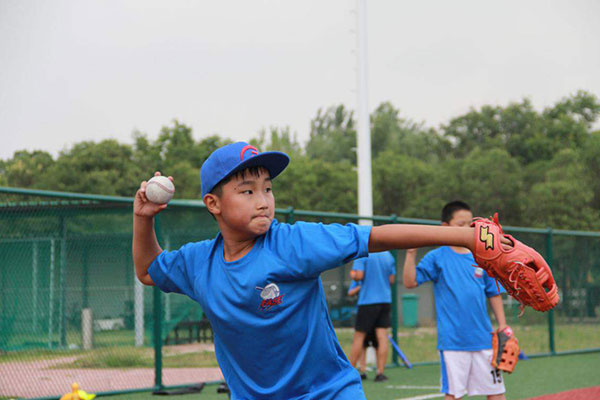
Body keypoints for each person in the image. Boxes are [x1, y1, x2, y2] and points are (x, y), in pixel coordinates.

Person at [133, 142, 512, 400]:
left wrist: (462, 237)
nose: (263, 201)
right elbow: (149, 270)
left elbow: (376, 236)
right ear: (213, 203)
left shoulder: (293, 243)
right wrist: (143, 219)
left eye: (267, 188)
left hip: (329, 392)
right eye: (247, 191)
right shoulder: (200, 263)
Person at [403, 201, 509, 400]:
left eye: (470, 224)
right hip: (453, 342)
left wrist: (502, 325)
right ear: (445, 227)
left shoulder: (482, 257)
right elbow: (410, 282)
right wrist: (410, 253)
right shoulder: (437, 257)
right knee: (453, 395)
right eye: (460, 224)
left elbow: (493, 293)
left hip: (484, 339)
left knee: (496, 393)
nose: (467, 229)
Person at [348, 251, 396, 382]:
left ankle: (349, 373)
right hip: (385, 300)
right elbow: (391, 279)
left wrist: (353, 275)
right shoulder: (388, 255)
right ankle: (380, 373)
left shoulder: (362, 254)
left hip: (367, 301)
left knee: (359, 337)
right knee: (382, 336)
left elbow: (359, 275)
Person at [346, 271, 379, 380]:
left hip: (375, 311)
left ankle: (379, 371)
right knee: (362, 344)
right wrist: (360, 287)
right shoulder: (358, 280)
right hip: (363, 310)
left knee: (376, 342)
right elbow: (350, 292)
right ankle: (362, 370)